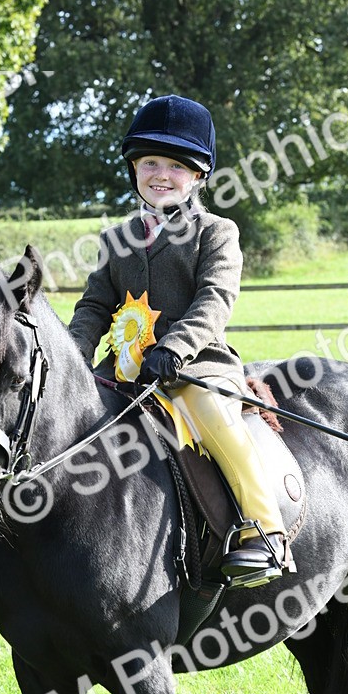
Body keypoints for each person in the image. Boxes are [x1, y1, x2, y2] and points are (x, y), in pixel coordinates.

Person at [68, 94, 289, 585]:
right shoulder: (115, 239)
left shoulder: (217, 232)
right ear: (134, 168)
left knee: (213, 415)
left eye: (175, 166)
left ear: (198, 175)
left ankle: (265, 532)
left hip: (195, 366)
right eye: (150, 163)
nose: (161, 175)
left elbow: (215, 299)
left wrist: (175, 348)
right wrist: (73, 354)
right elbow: (94, 306)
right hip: (122, 369)